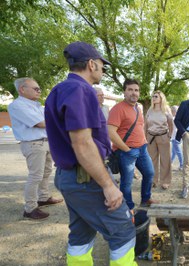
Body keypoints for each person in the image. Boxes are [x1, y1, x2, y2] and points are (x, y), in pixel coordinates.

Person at [45, 41, 137, 265]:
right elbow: (83, 144)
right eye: (101, 65)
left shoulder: (59, 90)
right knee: (123, 231)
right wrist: (108, 185)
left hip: (71, 176)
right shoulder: (81, 90)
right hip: (85, 178)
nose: (103, 70)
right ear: (91, 64)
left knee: (81, 232)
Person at [8, 78, 63, 220]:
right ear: (22, 89)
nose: (39, 91)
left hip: (44, 142)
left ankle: (43, 197)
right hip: (33, 143)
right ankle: (30, 207)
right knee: (35, 175)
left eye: (39, 88)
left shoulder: (36, 105)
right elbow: (40, 123)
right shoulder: (17, 105)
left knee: (46, 172)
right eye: (35, 88)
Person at [108, 79, 156, 210]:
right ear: (124, 92)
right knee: (127, 182)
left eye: (136, 90)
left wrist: (144, 142)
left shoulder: (137, 108)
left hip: (142, 149)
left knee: (149, 173)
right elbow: (110, 132)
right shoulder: (117, 109)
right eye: (130, 90)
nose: (133, 93)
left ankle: (145, 199)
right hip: (127, 151)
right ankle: (128, 207)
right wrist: (126, 149)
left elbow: (139, 127)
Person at [145, 90, 173, 189]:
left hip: (163, 137)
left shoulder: (166, 110)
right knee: (152, 160)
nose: (154, 98)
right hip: (150, 137)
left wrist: (169, 136)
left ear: (161, 98)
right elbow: (146, 124)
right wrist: (145, 137)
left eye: (156, 96)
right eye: (153, 96)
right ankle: (153, 180)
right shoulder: (150, 110)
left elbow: (171, 124)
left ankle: (165, 181)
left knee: (165, 160)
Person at [170, 105, 183, 171]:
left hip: (175, 137)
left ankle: (182, 165)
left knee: (178, 152)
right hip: (176, 137)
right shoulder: (178, 118)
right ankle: (170, 162)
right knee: (174, 151)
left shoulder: (174, 118)